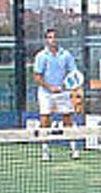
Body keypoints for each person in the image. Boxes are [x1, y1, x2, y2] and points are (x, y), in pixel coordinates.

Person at [34, 28, 80, 161]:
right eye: (49, 37)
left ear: (58, 39)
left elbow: (74, 74)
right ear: (46, 40)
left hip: (63, 92)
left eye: (54, 37)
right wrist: (50, 87)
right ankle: (45, 151)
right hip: (45, 93)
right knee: (45, 119)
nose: (52, 39)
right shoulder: (41, 56)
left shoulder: (66, 55)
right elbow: (37, 77)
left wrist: (66, 86)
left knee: (67, 119)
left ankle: (74, 149)